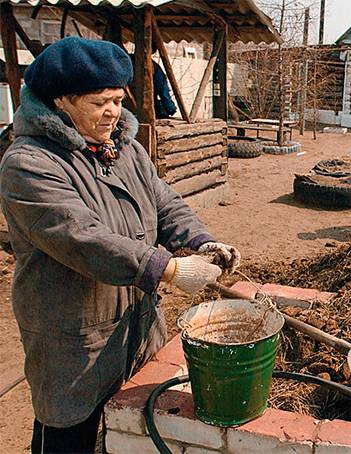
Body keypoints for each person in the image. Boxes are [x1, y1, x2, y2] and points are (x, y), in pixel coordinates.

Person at [0, 36, 240, 454]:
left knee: (130, 432)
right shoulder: (29, 163)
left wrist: (202, 241)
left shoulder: (121, 149)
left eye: (116, 99)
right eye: (98, 103)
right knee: (68, 438)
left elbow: (163, 201)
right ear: (61, 101)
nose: (113, 112)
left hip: (136, 324)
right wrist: (167, 269)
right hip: (74, 341)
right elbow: (82, 237)